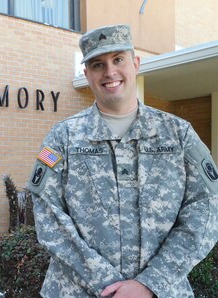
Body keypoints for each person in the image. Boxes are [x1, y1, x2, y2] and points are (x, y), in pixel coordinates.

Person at [27, 24, 218, 298]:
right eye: (97, 64)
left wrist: (150, 283)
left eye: (118, 59)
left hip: (161, 291)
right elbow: (47, 214)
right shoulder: (63, 137)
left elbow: (207, 208)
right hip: (77, 291)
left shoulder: (178, 134)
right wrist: (108, 285)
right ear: (87, 74)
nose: (109, 72)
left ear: (136, 63)